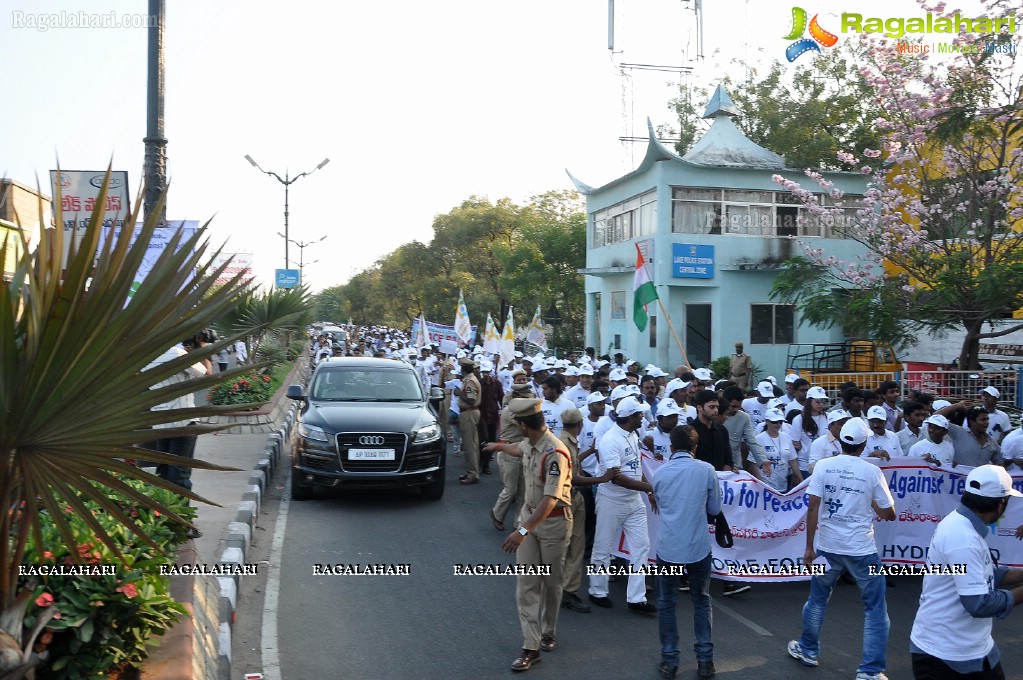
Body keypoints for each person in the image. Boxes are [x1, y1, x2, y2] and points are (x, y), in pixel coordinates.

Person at [788, 419, 896, 680]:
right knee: (875, 610)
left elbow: (812, 507)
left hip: (828, 547)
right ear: (863, 444)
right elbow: (889, 513)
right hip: (862, 550)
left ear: (841, 441)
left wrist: (808, 548)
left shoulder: (824, 466)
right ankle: (870, 671)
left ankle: (808, 650)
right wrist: (870, 501)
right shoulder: (871, 472)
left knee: (817, 599)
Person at [909, 465, 1023, 678]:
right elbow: (978, 603)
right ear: (1000, 505)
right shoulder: (963, 538)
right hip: (945, 657)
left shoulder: (962, 523)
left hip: (974, 649)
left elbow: (983, 574)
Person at [494, 399, 574, 672]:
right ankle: (531, 646)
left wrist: (521, 531)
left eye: (518, 425)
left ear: (524, 425)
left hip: (552, 525)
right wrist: (498, 447)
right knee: (527, 585)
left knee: (551, 583)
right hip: (528, 521)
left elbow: (550, 500)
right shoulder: (531, 442)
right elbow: (519, 449)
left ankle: (549, 630)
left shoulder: (556, 453)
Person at [652, 424, 721, 679]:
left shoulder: (660, 474)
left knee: (666, 603)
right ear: (695, 447)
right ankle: (705, 661)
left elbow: (661, 504)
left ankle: (670, 660)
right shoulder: (706, 470)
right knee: (701, 600)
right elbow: (714, 508)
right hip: (698, 548)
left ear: (671, 447)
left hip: (669, 548)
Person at [588, 396, 657, 613]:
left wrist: (647, 486)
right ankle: (597, 591)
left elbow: (636, 467)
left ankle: (637, 598)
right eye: (640, 415)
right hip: (611, 499)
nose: (643, 417)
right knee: (603, 546)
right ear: (632, 417)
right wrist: (649, 489)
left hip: (633, 501)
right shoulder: (610, 440)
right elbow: (615, 477)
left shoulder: (632, 434)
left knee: (641, 546)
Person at [558, 407, 617, 614]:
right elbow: (571, 477)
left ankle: (563, 589)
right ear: (580, 425)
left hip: (570, 498)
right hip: (568, 499)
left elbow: (575, 468)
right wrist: (600, 479)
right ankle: (567, 591)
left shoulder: (565, 441)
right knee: (574, 547)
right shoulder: (565, 444)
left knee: (572, 546)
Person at [757, 408, 802, 491]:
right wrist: (760, 482)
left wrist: (801, 481)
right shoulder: (759, 439)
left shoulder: (786, 437)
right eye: (775, 422)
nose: (778, 424)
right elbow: (752, 463)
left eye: (780, 422)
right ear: (767, 421)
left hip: (783, 484)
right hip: (765, 485)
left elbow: (793, 461)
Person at [455, 357, 483, 485]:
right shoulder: (469, 380)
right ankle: (471, 471)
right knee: (469, 444)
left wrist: (458, 393)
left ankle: (473, 473)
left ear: (463, 369)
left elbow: (471, 400)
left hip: (469, 413)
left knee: (470, 445)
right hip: (469, 413)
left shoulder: (470, 381)